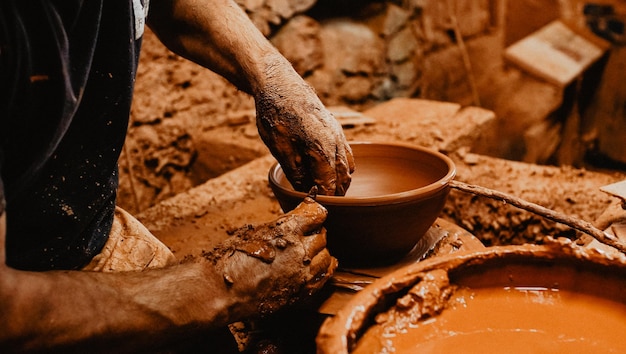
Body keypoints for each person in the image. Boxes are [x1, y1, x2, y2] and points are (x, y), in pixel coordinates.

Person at [0, 0, 354, 352]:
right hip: (23, 290)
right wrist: (222, 286)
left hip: (81, 227)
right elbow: (8, 314)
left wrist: (271, 73)